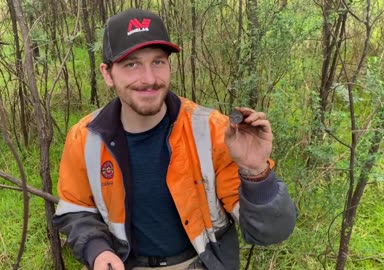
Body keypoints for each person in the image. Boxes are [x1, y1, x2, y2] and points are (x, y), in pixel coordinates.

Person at [53, 8, 297, 270]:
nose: (148, 79)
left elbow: (271, 232)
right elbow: (75, 210)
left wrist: (256, 172)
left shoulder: (212, 131)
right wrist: (98, 251)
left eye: (157, 62)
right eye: (131, 64)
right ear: (107, 73)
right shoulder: (86, 138)